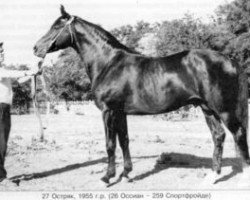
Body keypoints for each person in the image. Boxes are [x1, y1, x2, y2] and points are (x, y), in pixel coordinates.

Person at [0, 42, 39, 182]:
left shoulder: (3, 71)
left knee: (3, 142)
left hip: (4, 109)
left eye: (2, 52)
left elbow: (20, 81)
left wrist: (34, 72)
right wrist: (28, 72)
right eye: (0, 52)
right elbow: (12, 73)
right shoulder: (2, 71)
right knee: (1, 142)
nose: (2, 55)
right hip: (0, 109)